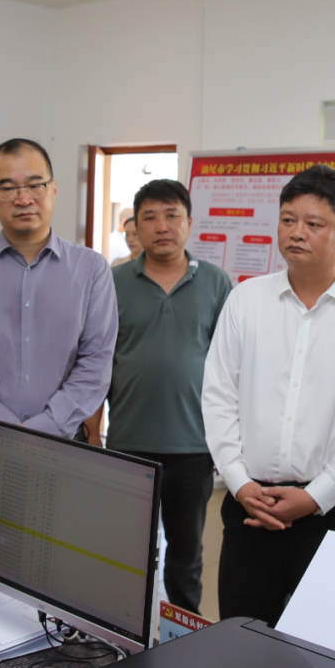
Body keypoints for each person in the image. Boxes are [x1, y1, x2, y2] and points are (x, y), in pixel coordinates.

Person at [202, 164, 335, 625]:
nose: (297, 233)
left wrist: (315, 496)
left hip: (334, 510)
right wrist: (239, 482)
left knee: (328, 645)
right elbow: (218, 397)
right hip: (251, 506)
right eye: (288, 220)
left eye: (314, 224)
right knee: (242, 639)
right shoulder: (246, 300)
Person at [0, 138, 117, 451]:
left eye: (35, 185)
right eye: (8, 188)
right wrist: (7, 430)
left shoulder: (92, 270)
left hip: (62, 447)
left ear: (54, 189)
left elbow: (95, 365)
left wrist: (44, 428)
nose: (23, 198)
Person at [101, 179, 231, 613]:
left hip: (193, 446)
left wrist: (226, 439)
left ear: (189, 222)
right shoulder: (113, 282)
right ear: (135, 226)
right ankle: (121, 631)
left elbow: (230, 366)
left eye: (172, 215)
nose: (162, 226)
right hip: (128, 442)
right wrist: (92, 429)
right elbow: (97, 360)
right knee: (126, 553)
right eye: (150, 217)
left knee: (186, 555)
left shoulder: (216, 282)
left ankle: (183, 633)